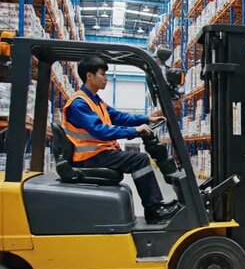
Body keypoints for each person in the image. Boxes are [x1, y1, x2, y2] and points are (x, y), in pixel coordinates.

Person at [62, 56, 180, 224]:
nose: (106, 78)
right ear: (89, 76)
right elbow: (100, 131)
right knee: (139, 159)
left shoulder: (95, 100)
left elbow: (118, 117)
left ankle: (155, 206)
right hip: (89, 158)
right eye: (102, 74)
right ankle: (154, 209)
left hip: (98, 154)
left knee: (137, 159)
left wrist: (146, 119)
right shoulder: (79, 103)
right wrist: (133, 130)